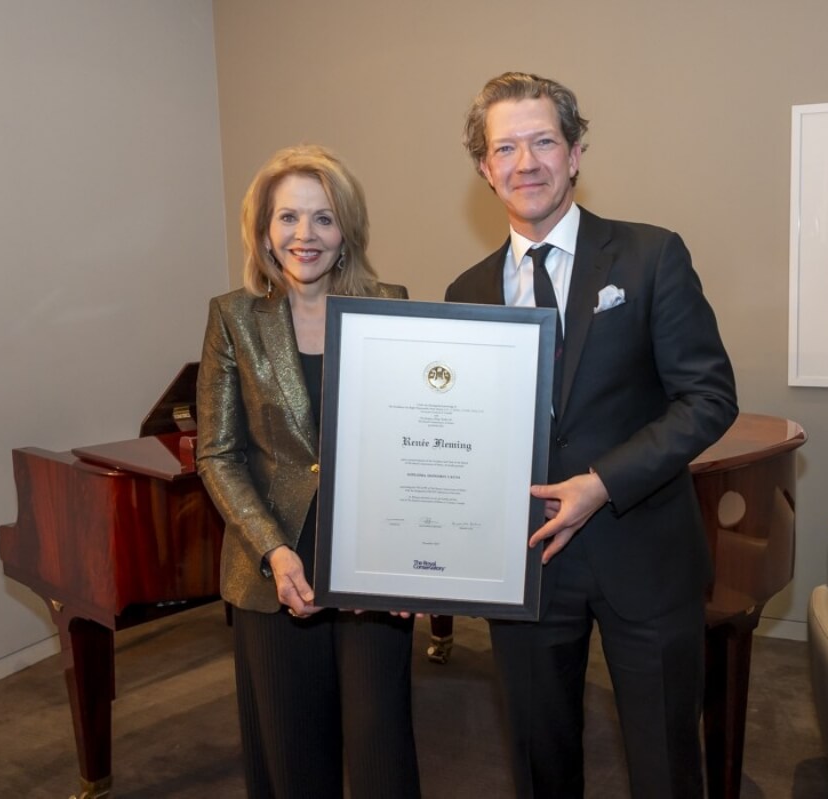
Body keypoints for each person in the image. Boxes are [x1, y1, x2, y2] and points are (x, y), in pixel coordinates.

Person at [445, 73, 738, 798]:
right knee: (539, 761)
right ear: (485, 168)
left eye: (543, 141)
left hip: (644, 551)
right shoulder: (466, 292)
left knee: (666, 765)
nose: (526, 162)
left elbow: (709, 398)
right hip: (526, 566)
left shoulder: (651, 255)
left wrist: (602, 483)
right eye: (505, 148)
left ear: (575, 153)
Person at [196, 144, 421, 799]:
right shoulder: (234, 317)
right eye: (288, 217)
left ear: (347, 229)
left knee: (382, 753)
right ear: (264, 229)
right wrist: (273, 549)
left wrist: (410, 553)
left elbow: (411, 440)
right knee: (293, 758)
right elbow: (217, 453)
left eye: (324, 218)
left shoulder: (391, 304)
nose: (306, 234)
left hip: (369, 566)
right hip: (274, 565)